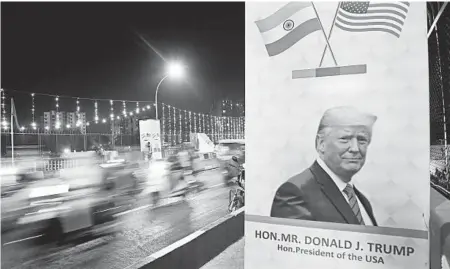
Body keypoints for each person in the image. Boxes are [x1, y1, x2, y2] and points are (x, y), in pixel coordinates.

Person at [270, 106, 378, 226]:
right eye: (345, 139)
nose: (355, 148)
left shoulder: (362, 201)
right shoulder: (295, 193)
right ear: (321, 144)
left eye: (362, 140)